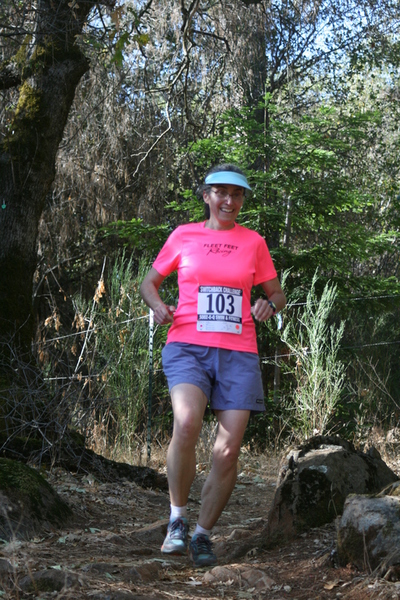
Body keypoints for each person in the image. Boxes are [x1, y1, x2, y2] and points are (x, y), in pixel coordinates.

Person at [140, 164, 286, 567]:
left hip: (238, 353)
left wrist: (268, 305)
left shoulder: (254, 242)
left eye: (236, 194)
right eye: (221, 192)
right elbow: (149, 283)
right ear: (206, 196)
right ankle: (177, 520)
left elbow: (277, 293)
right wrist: (158, 306)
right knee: (187, 422)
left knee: (228, 449)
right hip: (187, 345)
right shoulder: (183, 236)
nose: (229, 200)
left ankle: (202, 535)